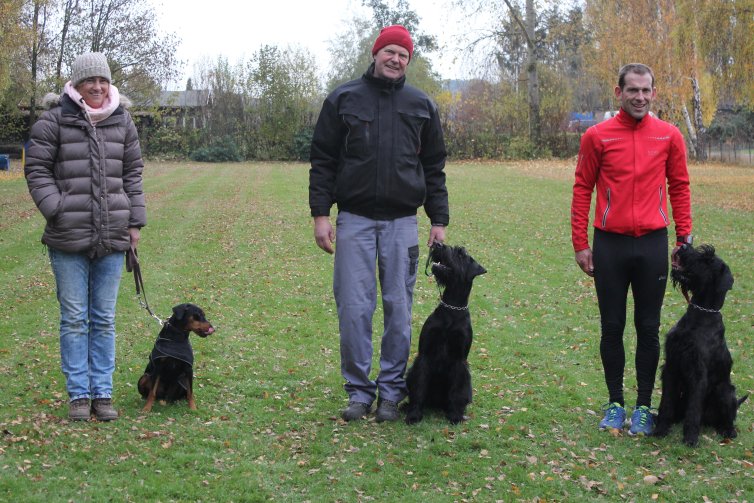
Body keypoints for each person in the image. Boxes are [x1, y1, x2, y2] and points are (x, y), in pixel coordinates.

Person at [309, 25, 449, 422]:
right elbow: (323, 161)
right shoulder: (343, 99)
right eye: (390, 51)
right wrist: (322, 215)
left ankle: (390, 391)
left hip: (402, 223)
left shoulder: (421, 105)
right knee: (354, 309)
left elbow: (434, 167)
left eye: (403, 55)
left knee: (399, 310)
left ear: (409, 61)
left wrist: (438, 219)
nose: (396, 59)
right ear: (375, 54)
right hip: (353, 221)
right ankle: (358, 391)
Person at [570, 63, 692, 436]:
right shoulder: (597, 136)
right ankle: (614, 404)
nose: (639, 97)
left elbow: (680, 187)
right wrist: (580, 243)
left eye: (646, 90)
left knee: (648, 328)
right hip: (610, 245)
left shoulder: (669, 136)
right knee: (612, 327)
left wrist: (683, 239)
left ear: (654, 93)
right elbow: (582, 188)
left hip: (653, 244)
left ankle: (642, 407)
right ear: (619, 92)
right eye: (632, 90)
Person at [25, 52, 146, 421]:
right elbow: (36, 171)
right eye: (89, 81)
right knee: (75, 318)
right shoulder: (52, 122)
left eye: (102, 81)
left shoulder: (123, 121)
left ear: (110, 84)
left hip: (112, 235)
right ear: (75, 85)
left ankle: (102, 394)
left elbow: (133, 174)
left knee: (104, 317)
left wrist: (135, 222)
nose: (96, 87)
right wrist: (56, 208)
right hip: (67, 236)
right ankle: (79, 395)